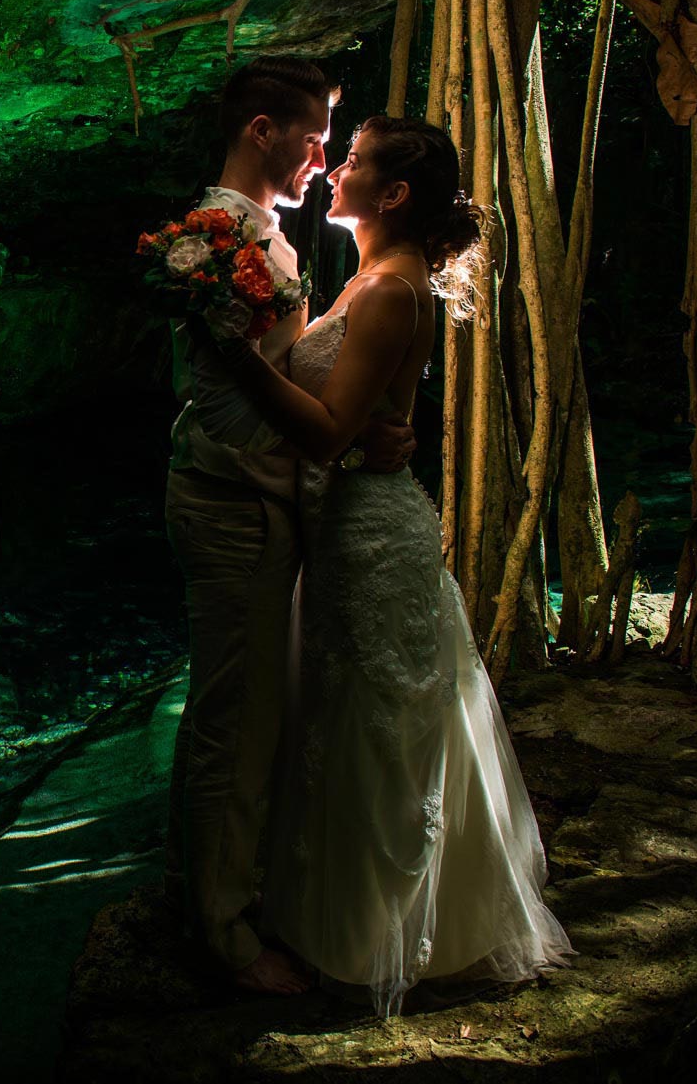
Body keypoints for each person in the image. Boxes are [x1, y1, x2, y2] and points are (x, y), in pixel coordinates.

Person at [204, 115, 574, 1015]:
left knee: (378, 728)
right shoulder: (371, 277)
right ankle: (346, 916)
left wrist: (235, 360)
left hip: (371, 535)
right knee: (350, 716)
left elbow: (329, 434)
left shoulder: (389, 291)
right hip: (348, 529)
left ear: (394, 194)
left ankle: (378, 933)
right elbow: (353, 407)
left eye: (356, 163)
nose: (334, 170)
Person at [161, 58, 415, 997]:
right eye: (312, 138)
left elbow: (275, 376)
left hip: (256, 498)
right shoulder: (217, 237)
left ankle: (204, 885)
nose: (322, 158)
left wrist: (359, 429)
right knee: (238, 717)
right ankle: (222, 934)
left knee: (237, 706)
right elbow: (232, 400)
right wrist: (339, 442)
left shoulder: (254, 233)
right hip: (234, 504)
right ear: (261, 130)